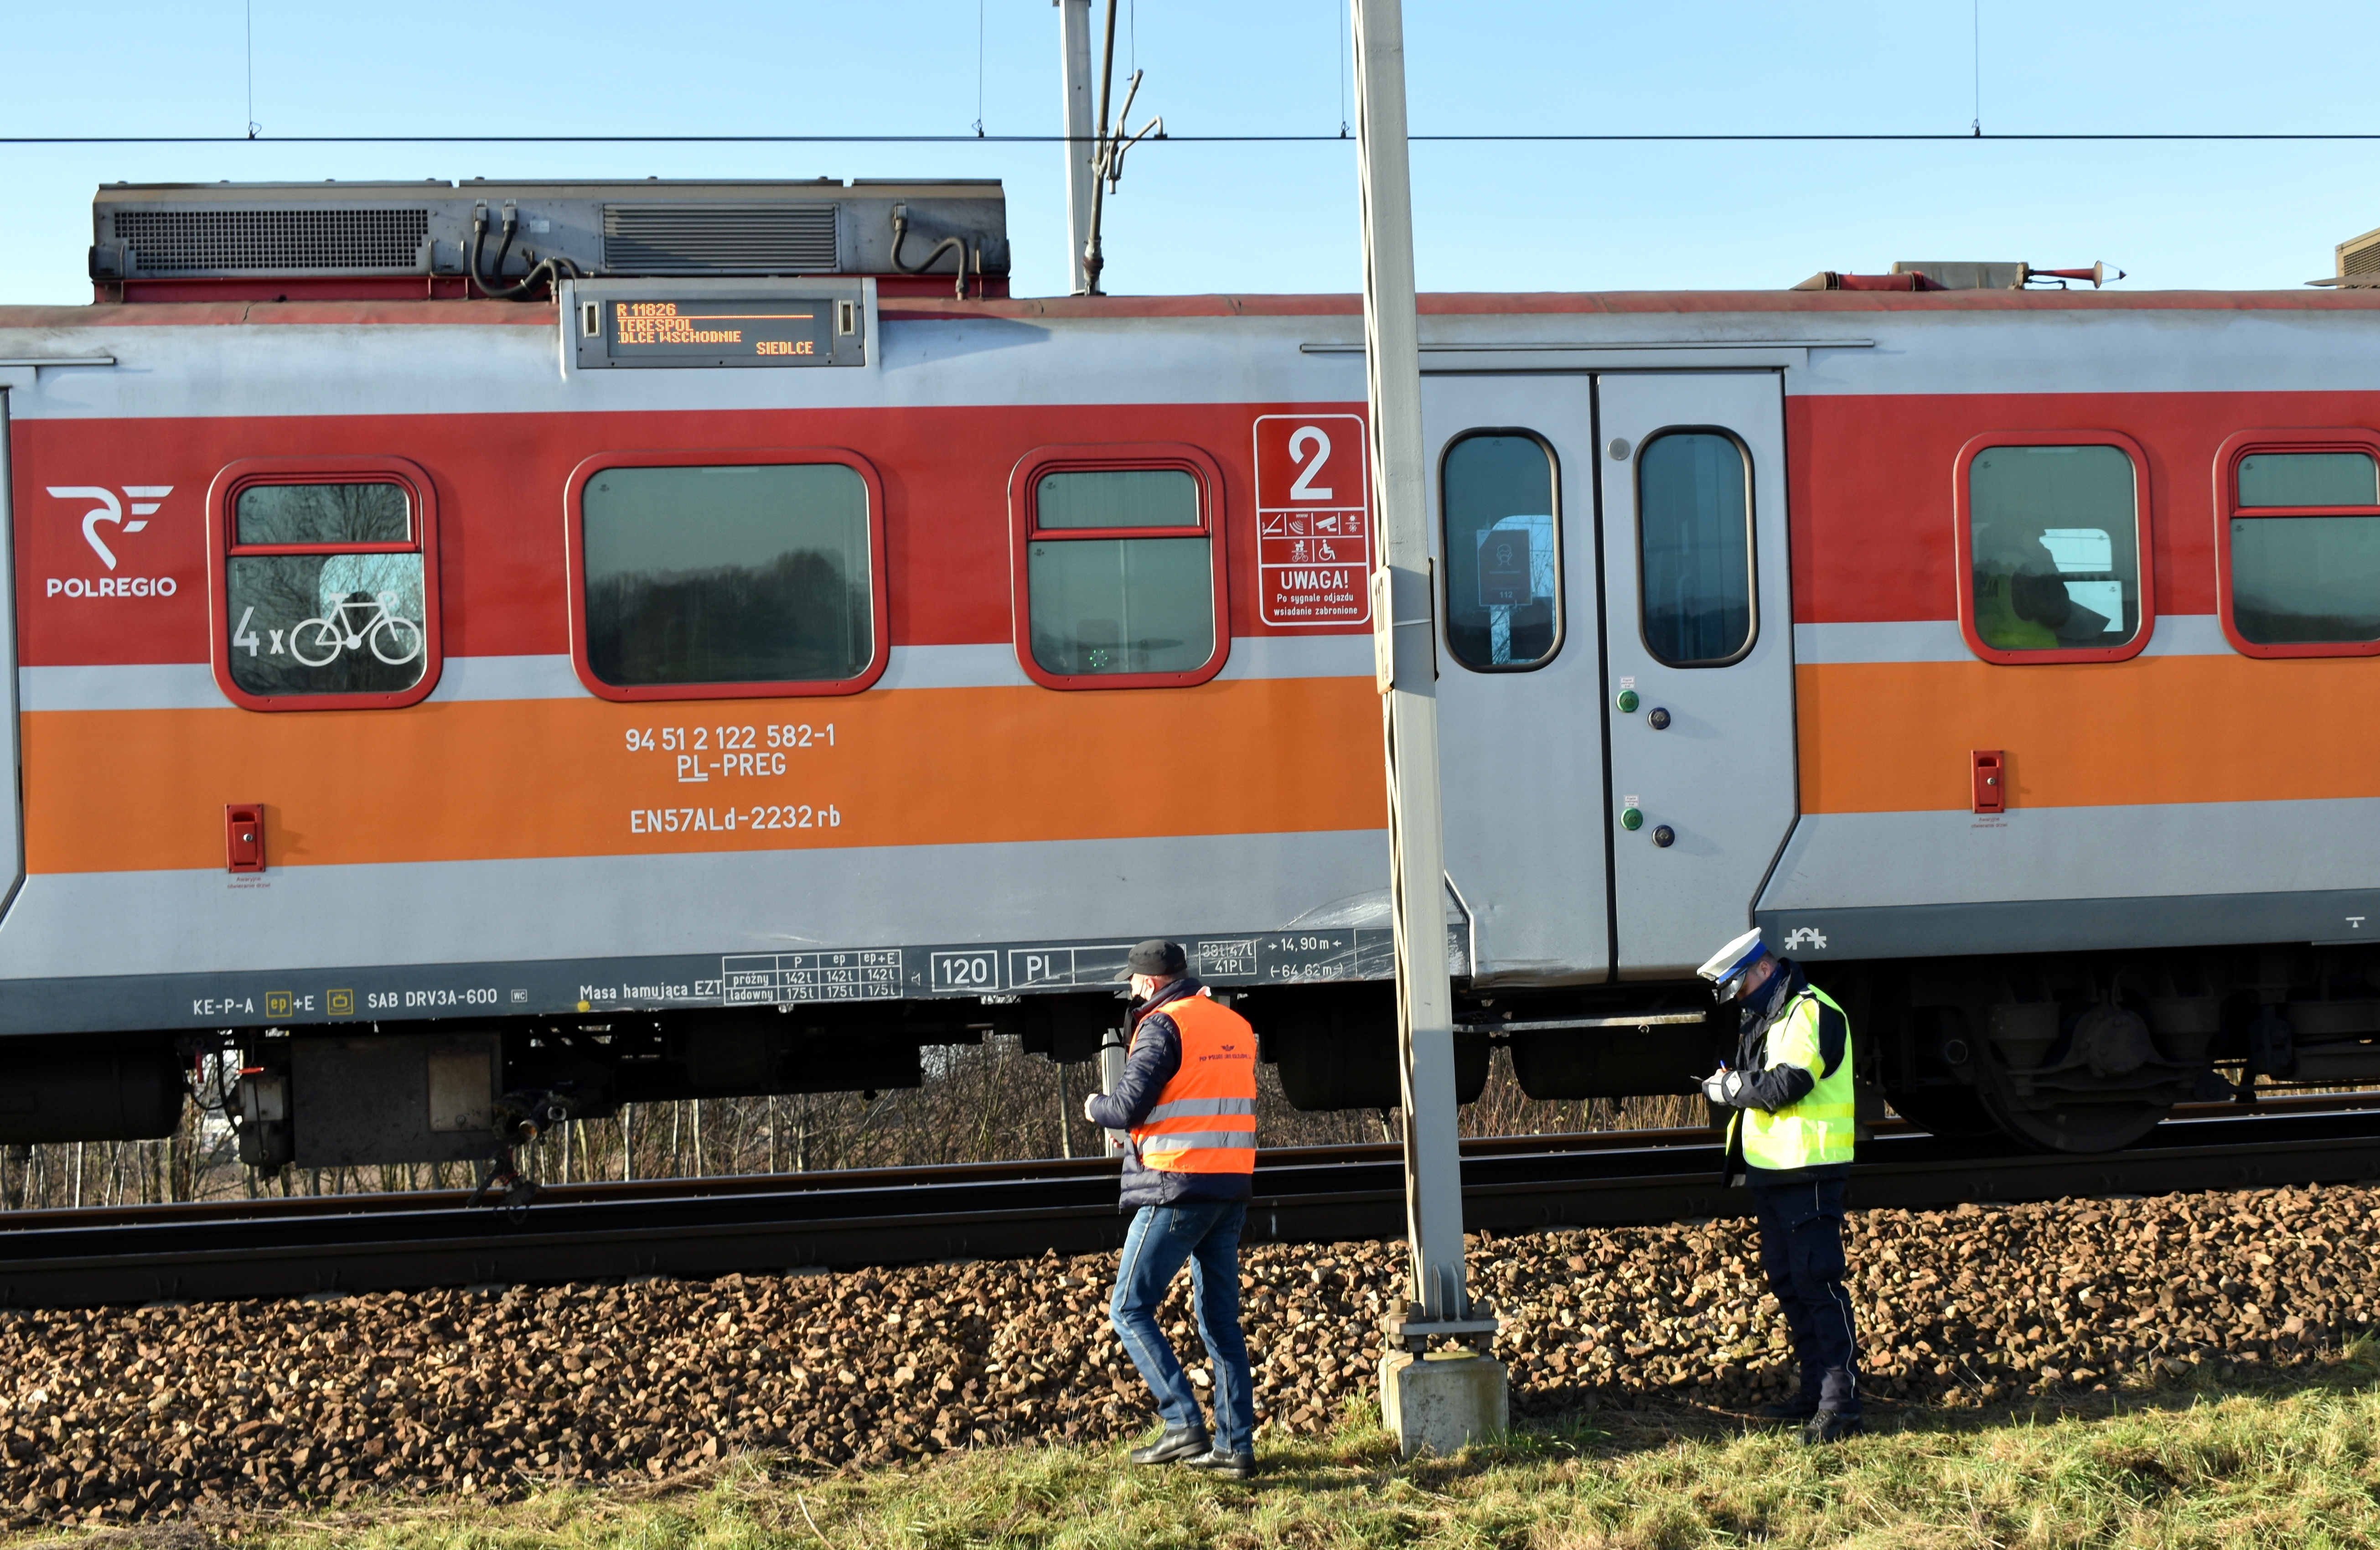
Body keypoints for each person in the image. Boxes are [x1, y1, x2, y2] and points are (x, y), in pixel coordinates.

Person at [1082, 939, 1259, 1479]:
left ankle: (1183, 1421)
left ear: (1150, 983)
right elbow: (1197, 1100)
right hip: (1229, 1185)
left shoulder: (1162, 1025)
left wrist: (1096, 1108)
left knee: (1128, 1307)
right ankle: (1235, 1448)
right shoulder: (1232, 1023)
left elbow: (1128, 1103)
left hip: (1176, 1187)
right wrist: (1140, 1136)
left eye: (1135, 983)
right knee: (1220, 1323)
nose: (1132, 991)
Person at [1697, 927, 1863, 1443]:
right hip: (1777, 1171)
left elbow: (1790, 1083)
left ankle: (1841, 1408)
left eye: (1740, 987)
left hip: (1809, 1169)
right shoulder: (1770, 1013)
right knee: (1793, 1285)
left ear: (1764, 970)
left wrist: (1731, 1087)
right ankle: (1815, 1396)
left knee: (1818, 1285)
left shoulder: (1808, 1011)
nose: (1739, 999)